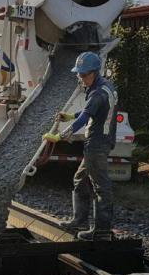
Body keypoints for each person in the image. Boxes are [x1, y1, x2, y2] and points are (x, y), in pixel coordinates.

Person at [42, 50, 118, 241]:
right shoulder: (106, 87)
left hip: (97, 144)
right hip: (101, 141)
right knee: (80, 179)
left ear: (94, 72)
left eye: (84, 74)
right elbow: (91, 112)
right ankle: (79, 220)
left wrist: (59, 136)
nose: (81, 78)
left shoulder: (98, 94)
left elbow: (85, 118)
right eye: (79, 74)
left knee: (101, 186)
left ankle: (101, 231)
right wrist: (70, 116)